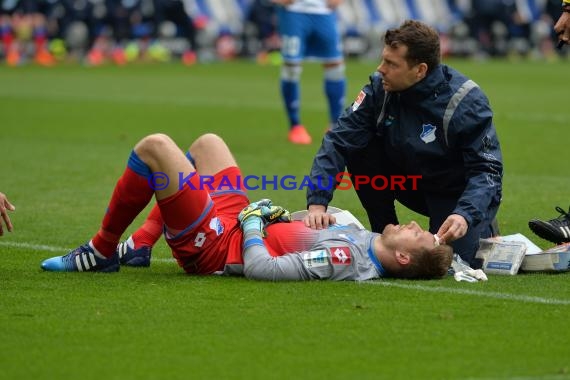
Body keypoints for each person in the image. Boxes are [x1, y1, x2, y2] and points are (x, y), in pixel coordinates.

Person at [40, 133, 452, 281]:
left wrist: (254, 222)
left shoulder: (345, 258)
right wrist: (290, 215)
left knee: (155, 148)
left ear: (402, 257)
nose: (412, 224)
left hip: (216, 246)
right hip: (235, 222)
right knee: (208, 144)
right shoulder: (361, 239)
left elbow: (262, 268)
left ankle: (101, 251)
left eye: (415, 234)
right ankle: (144, 243)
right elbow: (294, 234)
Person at [304, 20, 503, 269]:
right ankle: (381, 233)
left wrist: (465, 213)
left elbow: (487, 170)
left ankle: (481, 223)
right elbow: (338, 140)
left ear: (420, 70)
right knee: (359, 146)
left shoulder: (465, 101)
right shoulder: (380, 89)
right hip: (407, 182)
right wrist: (317, 203)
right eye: (383, 59)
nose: (380, 69)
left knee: (455, 263)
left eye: (391, 64)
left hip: (452, 192)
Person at [271, 0, 347, 145]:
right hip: (294, 11)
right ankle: (295, 126)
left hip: (324, 11)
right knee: (291, 67)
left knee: (335, 65)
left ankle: (335, 124)